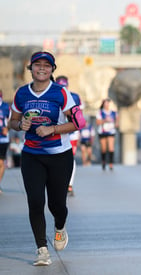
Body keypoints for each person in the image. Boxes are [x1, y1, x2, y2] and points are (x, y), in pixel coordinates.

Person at [9, 51, 85, 266]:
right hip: (32, 155)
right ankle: (42, 249)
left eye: (46, 65)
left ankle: (60, 227)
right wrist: (19, 125)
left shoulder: (61, 93)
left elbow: (79, 123)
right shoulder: (21, 94)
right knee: (35, 201)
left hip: (59, 156)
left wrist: (53, 129)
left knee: (57, 204)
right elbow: (12, 121)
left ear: (52, 70)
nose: (41, 68)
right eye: (37, 65)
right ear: (30, 68)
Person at [56, 75, 82, 196]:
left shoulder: (75, 97)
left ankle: (69, 184)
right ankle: (58, 183)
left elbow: (79, 115)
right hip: (56, 131)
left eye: (65, 87)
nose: (64, 89)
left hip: (71, 133)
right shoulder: (52, 96)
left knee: (69, 157)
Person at [96, 98, 118, 171]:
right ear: (103, 104)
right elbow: (98, 122)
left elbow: (117, 122)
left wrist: (116, 124)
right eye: (105, 103)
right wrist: (105, 120)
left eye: (108, 103)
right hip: (102, 131)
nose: (107, 105)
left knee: (111, 147)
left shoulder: (113, 112)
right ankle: (103, 161)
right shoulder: (100, 112)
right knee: (104, 148)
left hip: (111, 131)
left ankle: (111, 163)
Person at [0, 89, 10, 194]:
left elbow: (13, 120)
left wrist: (8, 128)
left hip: (2, 139)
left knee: (1, 162)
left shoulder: (5, 106)